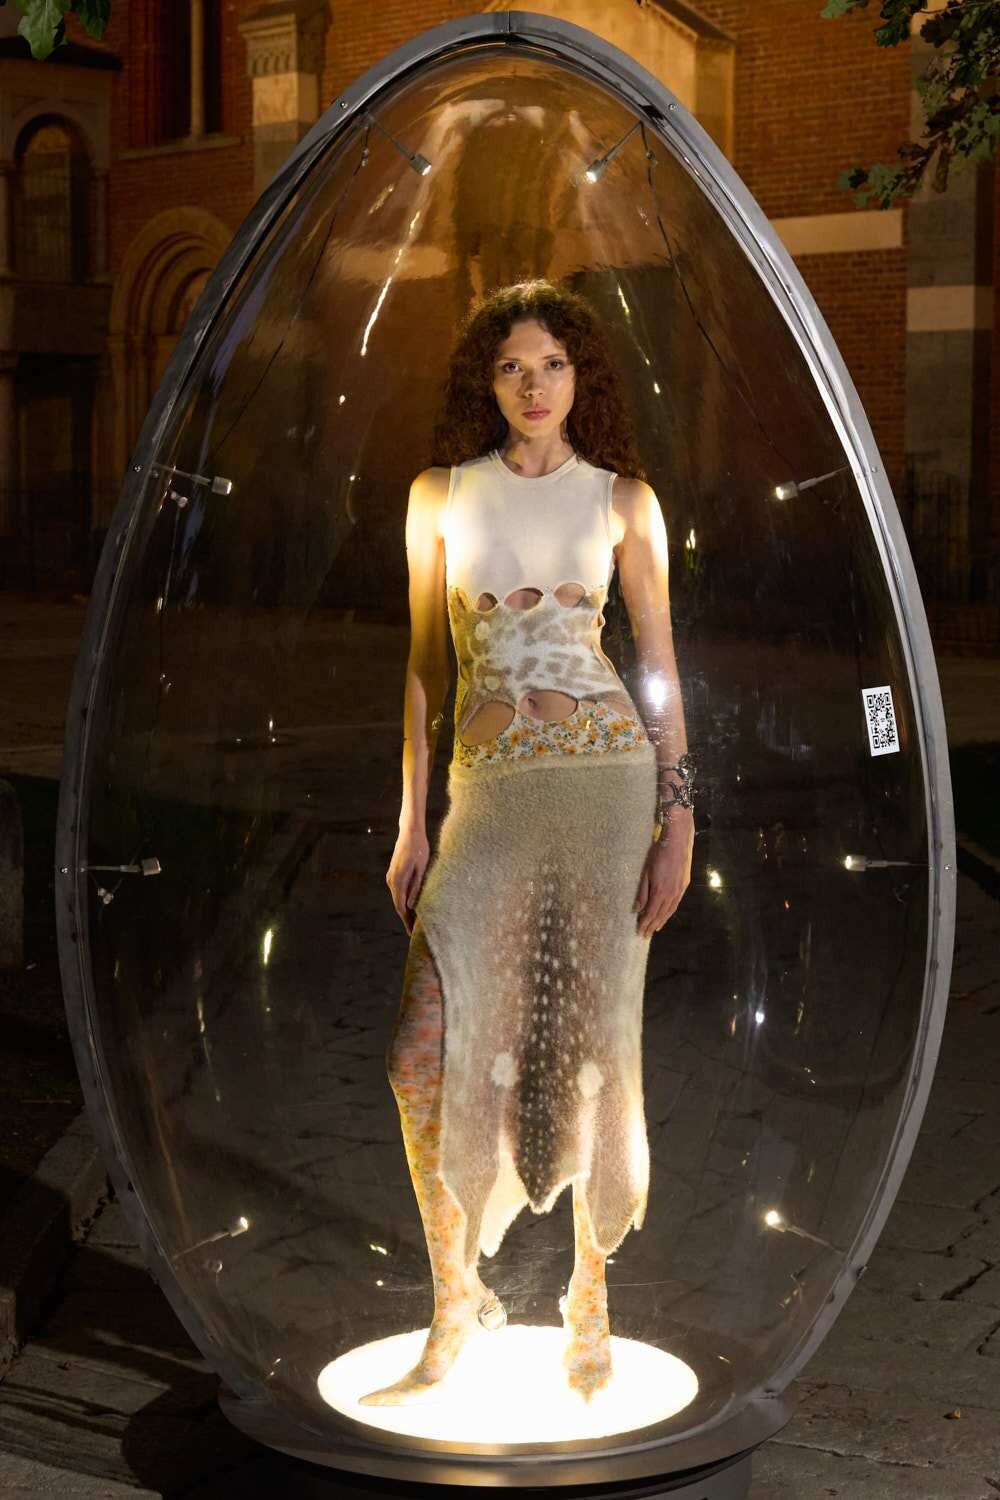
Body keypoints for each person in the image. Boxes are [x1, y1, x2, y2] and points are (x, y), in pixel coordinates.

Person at [362, 279, 693, 1407]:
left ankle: (588, 1306)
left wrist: (678, 814)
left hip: (607, 789)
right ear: (485, 381)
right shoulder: (440, 495)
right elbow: (424, 666)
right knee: (418, 1055)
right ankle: (455, 1301)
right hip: (488, 795)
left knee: (591, 1046)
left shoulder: (623, 500)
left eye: (552, 364)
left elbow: (654, 662)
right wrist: (413, 818)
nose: (533, 386)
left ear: (579, 375)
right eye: (512, 367)